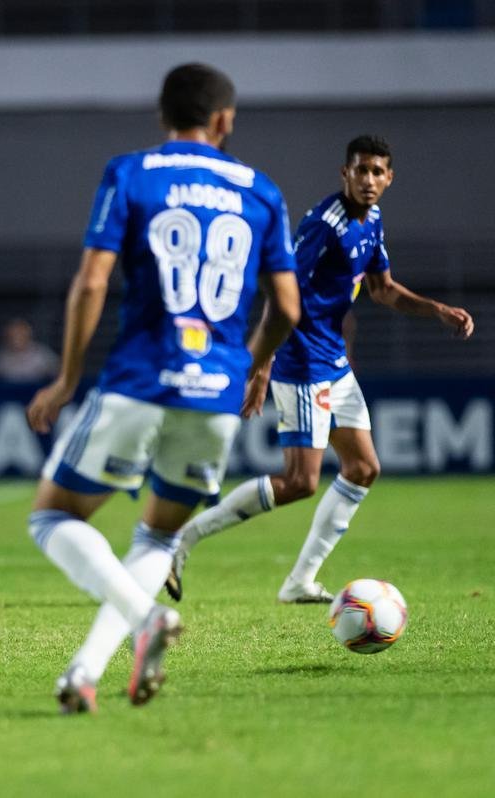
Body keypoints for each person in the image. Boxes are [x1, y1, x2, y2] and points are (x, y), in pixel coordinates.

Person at [25, 63, 301, 713]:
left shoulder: (132, 173)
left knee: (51, 515)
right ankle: (84, 673)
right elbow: (286, 307)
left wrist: (67, 377)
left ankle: (143, 617)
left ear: (162, 117)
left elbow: (92, 283)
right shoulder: (262, 191)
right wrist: (252, 365)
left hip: (141, 377)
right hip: (216, 394)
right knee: (156, 536)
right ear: (225, 120)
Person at [166, 135, 475, 604]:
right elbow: (282, 293)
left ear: (389, 178)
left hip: (331, 358)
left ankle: (299, 582)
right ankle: (182, 539)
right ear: (344, 174)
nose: (368, 179)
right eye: (361, 170)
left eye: (377, 172)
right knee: (299, 482)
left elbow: (383, 289)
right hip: (302, 358)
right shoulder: (323, 226)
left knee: (363, 467)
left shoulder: (371, 220)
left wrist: (436, 310)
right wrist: (263, 365)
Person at [0, 317, 59, 383]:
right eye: (13, 333)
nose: (17, 337)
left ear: (28, 333)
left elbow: (58, 376)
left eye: (20, 332)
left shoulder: (44, 355)